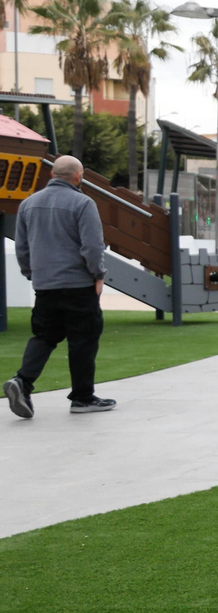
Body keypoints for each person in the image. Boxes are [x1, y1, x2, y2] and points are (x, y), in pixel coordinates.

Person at [4, 155, 117, 418]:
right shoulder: (83, 203)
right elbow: (92, 246)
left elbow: (22, 246)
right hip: (78, 285)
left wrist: (32, 274)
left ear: (52, 175)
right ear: (78, 177)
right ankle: (82, 397)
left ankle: (22, 381)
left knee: (44, 336)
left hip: (45, 286)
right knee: (83, 339)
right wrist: (98, 275)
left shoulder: (28, 204)